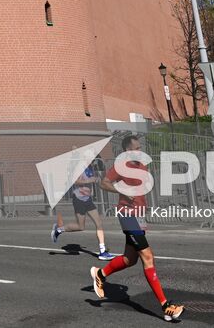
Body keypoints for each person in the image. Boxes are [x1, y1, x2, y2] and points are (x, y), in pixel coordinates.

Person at [91, 133, 185, 322]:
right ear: (127, 151)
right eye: (136, 149)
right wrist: (122, 190)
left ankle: (100, 274)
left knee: (129, 259)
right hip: (127, 215)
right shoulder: (121, 166)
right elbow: (103, 183)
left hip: (139, 217)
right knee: (148, 257)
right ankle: (166, 307)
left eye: (140, 148)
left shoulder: (142, 165)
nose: (140, 151)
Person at [51, 159, 115, 260]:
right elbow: (75, 181)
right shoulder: (79, 167)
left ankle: (102, 252)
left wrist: (101, 181)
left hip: (88, 200)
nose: (94, 161)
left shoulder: (90, 169)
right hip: (79, 199)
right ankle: (58, 230)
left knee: (99, 223)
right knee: (81, 227)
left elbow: (95, 181)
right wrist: (90, 180)